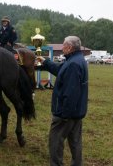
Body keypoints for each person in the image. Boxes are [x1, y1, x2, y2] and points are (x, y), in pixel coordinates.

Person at [38, 36, 88, 166]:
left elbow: (71, 93)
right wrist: (45, 62)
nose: (62, 47)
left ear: (70, 47)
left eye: (63, 45)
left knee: (55, 142)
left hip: (65, 114)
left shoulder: (73, 64)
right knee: (75, 142)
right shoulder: (75, 60)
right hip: (77, 112)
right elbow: (60, 70)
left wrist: (63, 115)